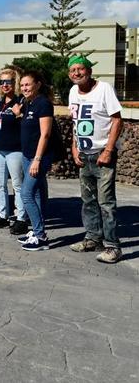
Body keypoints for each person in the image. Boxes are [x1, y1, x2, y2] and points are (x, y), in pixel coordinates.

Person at [67, 55, 124, 263]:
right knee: (88, 201)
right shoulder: (73, 91)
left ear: (89, 71)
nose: (76, 73)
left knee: (106, 202)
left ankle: (112, 246)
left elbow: (117, 119)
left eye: (80, 69)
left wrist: (108, 150)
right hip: (84, 155)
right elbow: (76, 121)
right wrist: (74, 148)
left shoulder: (104, 89)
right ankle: (93, 238)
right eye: (72, 70)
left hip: (102, 154)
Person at [15, 71, 55, 251]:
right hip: (27, 155)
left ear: (38, 85)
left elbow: (45, 134)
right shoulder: (28, 103)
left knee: (26, 194)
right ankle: (36, 231)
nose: (24, 88)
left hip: (37, 157)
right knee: (36, 194)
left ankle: (40, 236)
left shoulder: (44, 104)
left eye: (28, 84)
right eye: (22, 85)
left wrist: (37, 159)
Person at [0, 68, 26, 231]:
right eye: (1, 82)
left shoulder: (21, 101)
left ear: (15, 83)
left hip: (15, 149)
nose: (4, 85)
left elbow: (27, 126)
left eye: (8, 81)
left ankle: (21, 218)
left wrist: (18, 115)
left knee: (18, 185)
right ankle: (3, 215)